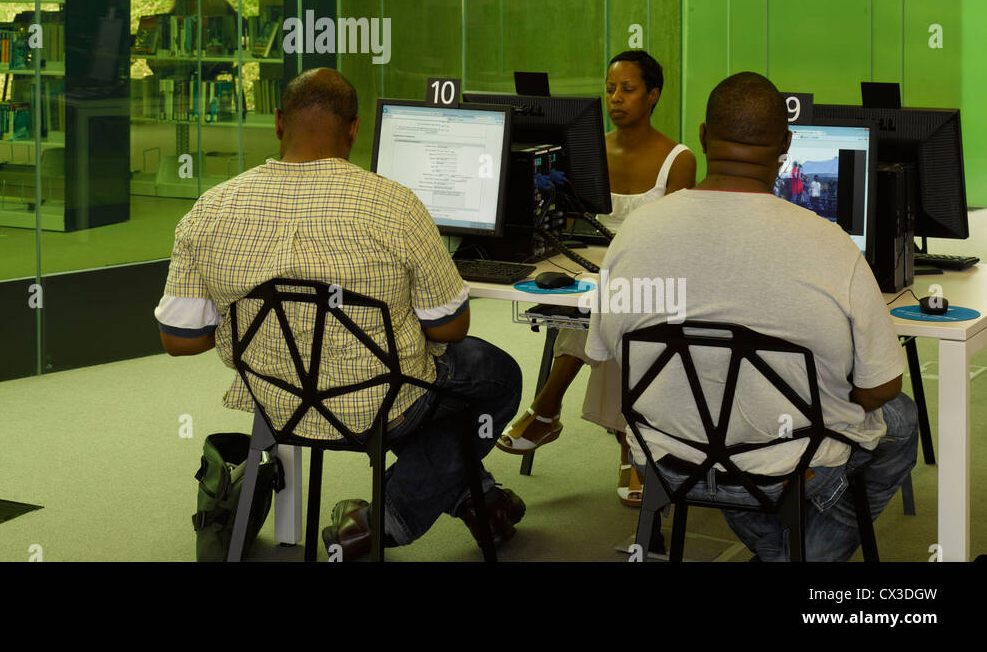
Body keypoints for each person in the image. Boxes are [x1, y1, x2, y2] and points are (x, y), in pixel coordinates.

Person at [154, 67, 525, 558]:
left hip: (277, 403)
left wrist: (246, 318)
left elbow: (179, 340)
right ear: (354, 129)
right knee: (497, 376)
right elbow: (451, 327)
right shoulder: (395, 205)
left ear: (278, 122)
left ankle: (480, 501)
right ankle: (384, 519)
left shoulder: (211, 208)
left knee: (444, 398)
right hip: (384, 409)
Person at [585, 71, 917, 561]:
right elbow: (881, 388)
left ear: (701, 136)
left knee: (736, 420)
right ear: (786, 144)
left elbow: (605, 351)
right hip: (786, 463)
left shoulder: (634, 233)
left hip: (671, 458)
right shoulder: (830, 244)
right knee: (902, 421)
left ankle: (779, 551)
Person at [497, 50, 695, 507]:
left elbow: (679, 241)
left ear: (653, 95)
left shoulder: (678, 160)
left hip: (655, 282)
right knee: (603, 305)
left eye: (627, 89)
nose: (615, 98)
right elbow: (572, 224)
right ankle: (631, 445)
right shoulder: (590, 150)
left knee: (612, 308)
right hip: (593, 273)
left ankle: (547, 409)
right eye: (609, 89)